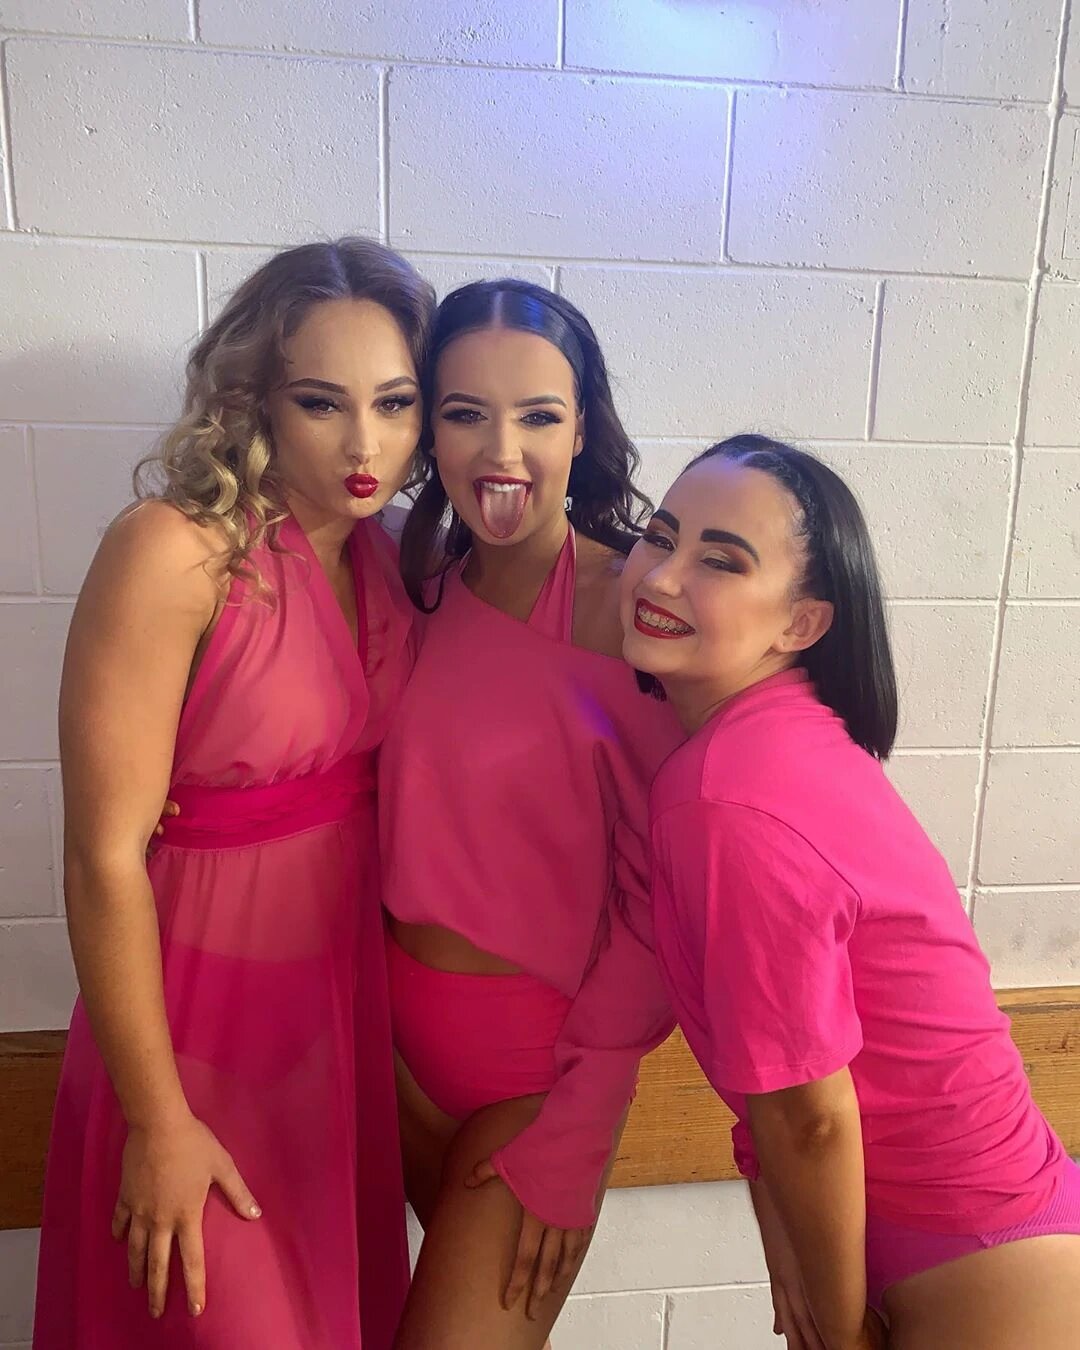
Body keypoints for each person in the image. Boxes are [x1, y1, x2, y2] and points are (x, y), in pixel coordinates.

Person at [33, 238, 434, 1350]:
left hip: (332, 1027)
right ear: (256, 399)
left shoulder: (393, 557)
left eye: (396, 403)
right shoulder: (174, 552)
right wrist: (158, 1121)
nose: (365, 444)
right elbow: (100, 859)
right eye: (322, 403)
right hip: (188, 1039)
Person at [621, 433, 1080, 1350]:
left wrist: (834, 1333)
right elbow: (775, 1093)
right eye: (660, 536)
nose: (662, 577)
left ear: (801, 624)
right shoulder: (776, 739)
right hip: (958, 1232)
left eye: (720, 560)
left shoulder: (730, 796)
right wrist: (792, 1260)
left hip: (978, 1254)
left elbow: (809, 1115)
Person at [378, 280, 682, 1348]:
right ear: (429, 430)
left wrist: (585, 1122)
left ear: (582, 429)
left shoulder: (638, 611)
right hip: (383, 1047)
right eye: (465, 414)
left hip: (535, 1078)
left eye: (539, 416)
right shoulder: (410, 574)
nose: (501, 452)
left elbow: (664, 901)